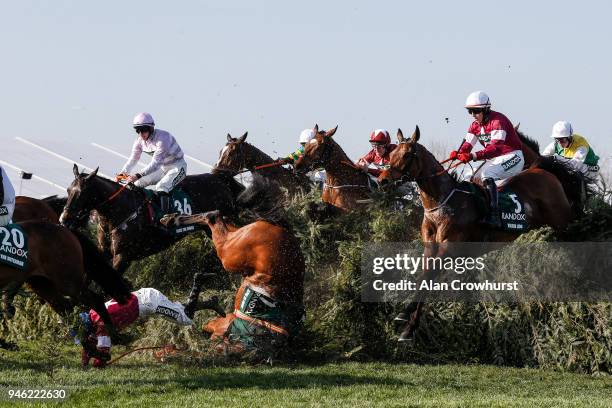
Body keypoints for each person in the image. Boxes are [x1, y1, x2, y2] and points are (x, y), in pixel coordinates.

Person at [76, 274, 225, 368]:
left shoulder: (101, 325)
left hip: (149, 303)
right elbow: (89, 342)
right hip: (145, 297)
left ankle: (198, 282)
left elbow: (103, 352)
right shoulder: (93, 313)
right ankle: (210, 303)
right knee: (178, 309)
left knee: (185, 319)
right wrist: (84, 361)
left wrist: (96, 365)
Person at [448, 91, 524, 228]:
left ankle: (494, 215)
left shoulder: (498, 121)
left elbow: (496, 148)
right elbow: (467, 145)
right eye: (470, 111)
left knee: (486, 174)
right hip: (495, 160)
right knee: (469, 177)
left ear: (486, 109)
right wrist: (459, 153)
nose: (473, 115)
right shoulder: (474, 126)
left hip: (513, 156)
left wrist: (472, 156)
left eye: (476, 111)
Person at [116, 113, 187, 213]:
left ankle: (165, 217)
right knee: (136, 184)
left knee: (162, 187)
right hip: (163, 168)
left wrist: (138, 174)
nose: (141, 133)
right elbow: (133, 159)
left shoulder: (163, 138)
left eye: (143, 129)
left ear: (151, 128)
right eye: (138, 130)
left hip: (178, 167)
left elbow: (155, 163)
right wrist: (122, 174)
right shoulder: (139, 141)